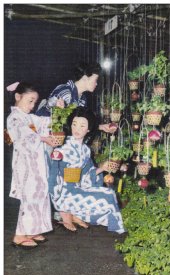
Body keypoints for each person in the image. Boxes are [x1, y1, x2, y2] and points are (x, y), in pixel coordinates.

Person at [48, 107, 125, 234]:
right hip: (64, 192)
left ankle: (80, 216)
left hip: (79, 187)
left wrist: (102, 168)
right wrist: (56, 195)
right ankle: (69, 215)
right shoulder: (62, 146)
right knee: (104, 198)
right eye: (74, 124)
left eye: (82, 126)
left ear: (88, 129)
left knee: (109, 194)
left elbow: (87, 175)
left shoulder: (85, 150)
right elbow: (54, 174)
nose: (77, 129)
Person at [6, 82, 58, 249]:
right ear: (17, 97)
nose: (32, 105)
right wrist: (43, 138)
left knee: (39, 193)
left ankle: (33, 230)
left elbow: (44, 122)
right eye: (30, 101)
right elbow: (23, 137)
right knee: (29, 197)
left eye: (34, 102)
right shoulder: (14, 118)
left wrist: (58, 111)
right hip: (25, 164)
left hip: (36, 163)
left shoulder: (28, 117)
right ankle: (19, 235)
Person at [36, 61, 116, 134]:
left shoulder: (82, 99)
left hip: (55, 136)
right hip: (41, 133)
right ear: (85, 78)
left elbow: (78, 123)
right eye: (95, 80)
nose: (96, 84)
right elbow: (57, 119)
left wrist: (101, 127)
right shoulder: (65, 92)